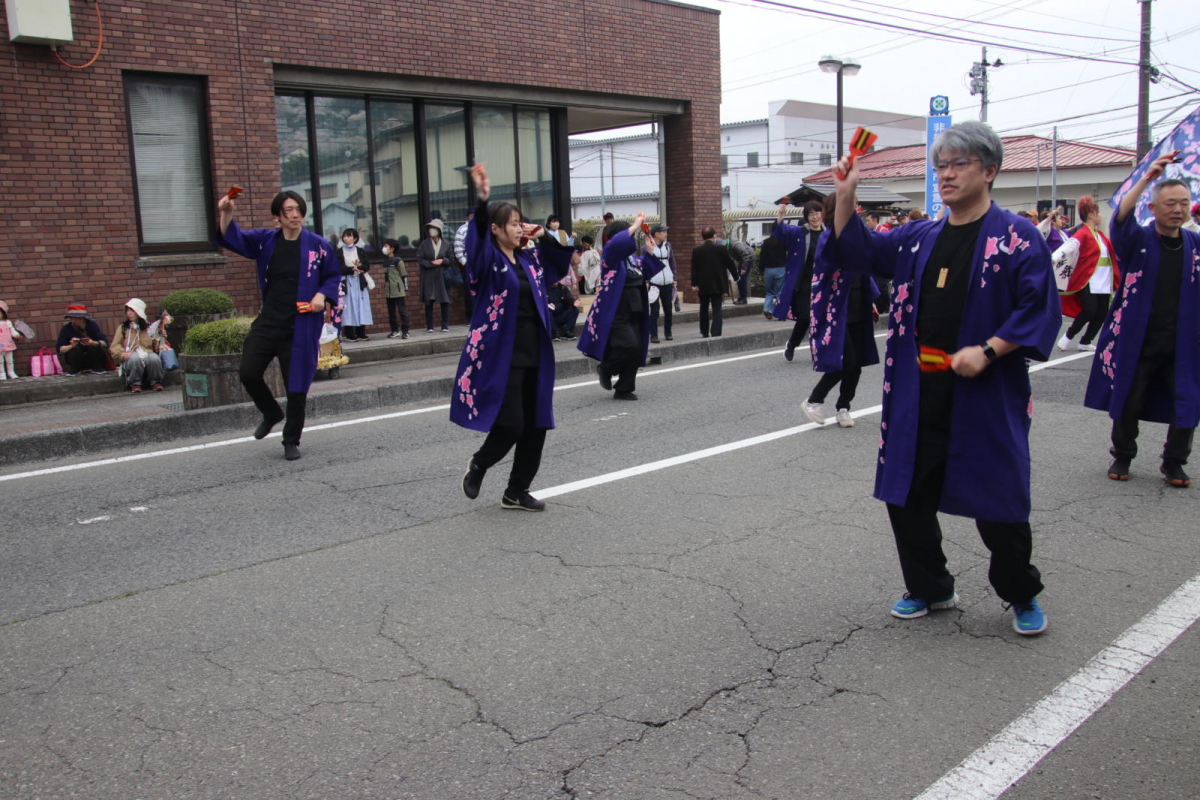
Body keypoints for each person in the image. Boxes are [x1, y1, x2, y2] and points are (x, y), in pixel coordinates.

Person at [827, 120, 1060, 635]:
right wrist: (846, 196)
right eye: (941, 166)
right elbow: (857, 252)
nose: (947, 175)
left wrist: (989, 349)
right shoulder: (918, 236)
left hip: (986, 390)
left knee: (998, 497)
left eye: (958, 164)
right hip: (917, 388)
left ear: (990, 170)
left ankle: (1021, 593)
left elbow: (1038, 306)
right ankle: (931, 586)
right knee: (905, 492)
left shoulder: (1017, 237)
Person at [455, 164, 575, 511]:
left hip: (534, 349)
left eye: (520, 221)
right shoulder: (487, 259)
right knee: (512, 423)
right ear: (495, 229)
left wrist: (538, 233)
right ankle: (479, 464)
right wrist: (482, 197)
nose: (519, 227)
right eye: (512, 223)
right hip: (501, 353)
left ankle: (516, 491)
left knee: (536, 424)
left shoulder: (530, 258)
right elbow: (476, 238)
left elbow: (558, 259)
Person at [1084, 152, 1199, 488]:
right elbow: (1120, 218)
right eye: (1170, 204)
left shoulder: (1195, 244)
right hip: (1138, 339)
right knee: (1128, 402)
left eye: (1184, 203)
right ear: (1153, 208)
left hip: (1183, 341)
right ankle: (1123, 454)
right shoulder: (1139, 240)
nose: (1178, 209)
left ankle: (1174, 462)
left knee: (1187, 403)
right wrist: (1146, 178)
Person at [217, 189, 341, 461]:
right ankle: (271, 411)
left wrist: (322, 295)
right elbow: (232, 238)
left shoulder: (318, 245)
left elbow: (333, 275)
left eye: (298, 209)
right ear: (277, 217)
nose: (295, 214)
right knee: (248, 372)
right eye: (288, 210)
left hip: (300, 325)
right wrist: (227, 212)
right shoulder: (265, 240)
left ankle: (291, 439)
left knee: (296, 386)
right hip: (269, 321)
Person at [802, 193, 881, 428]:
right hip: (835, 309)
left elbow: (865, 269)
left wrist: (872, 298)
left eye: (855, 204)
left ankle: (844, 408)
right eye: (851, 204)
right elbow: (825, 269)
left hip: (858, 304)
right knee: (847, 361)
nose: (855, 209)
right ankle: (813, 400)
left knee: (856, 364)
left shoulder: (856, 236)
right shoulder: (829, 238)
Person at [578, 215, 664, 399]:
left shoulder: (632, 260)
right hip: (615, 310)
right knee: (629, 345)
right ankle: (606, 368)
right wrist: (635, 225)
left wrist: (649, 252)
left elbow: (648, 271)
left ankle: (624, 387)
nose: (630, 239)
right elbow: (616, 244)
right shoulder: (610, 257)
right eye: (627, 235)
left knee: (637, 346)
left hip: (635, 307)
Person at [1058, 195, 1119, 352]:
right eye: (1098, 213)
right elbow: (1070, 245)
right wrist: (1054, 258)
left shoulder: (1101, 236)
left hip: (1104, 282)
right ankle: (1068, 336)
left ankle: (1085, 341)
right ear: (1091, 214)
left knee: (1102, 314)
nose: (1101, 216)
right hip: (1088, 280)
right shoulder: (1083, 233)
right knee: (1089, 310)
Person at [770, 200, 823, 362]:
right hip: (803, 283)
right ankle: (792, 343)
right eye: (811, 214)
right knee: (805, 317)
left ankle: (819, 350)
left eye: (817, 213)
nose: (814, 217)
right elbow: (781, 231)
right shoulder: (800, 233)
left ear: (822, 214)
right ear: (806, 217)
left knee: (822, 319)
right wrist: (781, 214)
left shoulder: (828, 233)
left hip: (823, 284)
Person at [690, 226, 738, 338]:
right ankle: (716, 331)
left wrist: (694, 283)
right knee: (717, 308)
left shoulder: (697, 250)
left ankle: (704, 331)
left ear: (703, 237)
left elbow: (694, 268)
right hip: (718, 283)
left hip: (703, 284)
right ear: (714, 236)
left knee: (704, 308)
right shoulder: (721, 249)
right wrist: (736, 277)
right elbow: (730, 263)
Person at [109, 298, 164, 393]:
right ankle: (135, 383)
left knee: (154, 358)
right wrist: (122, 354)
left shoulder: (149, 327)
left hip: (146, 353)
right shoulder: (123, 328)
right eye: (127, 310)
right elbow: (114, 346)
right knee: (134, 358)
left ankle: (155, 381)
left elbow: (156, 348)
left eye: (132, 310)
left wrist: (161, 337)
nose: (129, 313)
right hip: (131, 355)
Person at [337, 228, 374, 341]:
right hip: (347, 282)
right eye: (345, 236)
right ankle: (349, 334)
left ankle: (361, 332)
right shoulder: (339, 252)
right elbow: (339, 267)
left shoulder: (360, 250)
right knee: (348, 307)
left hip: (359, 282)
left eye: (349, 236)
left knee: (360, 306)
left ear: (355, 238)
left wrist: (360, 267)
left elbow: (367, 265)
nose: (346, 238)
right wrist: (352, 269)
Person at [418, 218, 454, 332]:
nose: (431, 230)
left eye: (434, 228)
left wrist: (443, 261)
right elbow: (419, 258)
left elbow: (451, 259)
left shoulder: (446, 244)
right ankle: (430, 326)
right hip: (428, 274)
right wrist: (430, 263)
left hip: (442, 275)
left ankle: (444, 324)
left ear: (439, 230)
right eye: (430, 228)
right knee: (429, 300)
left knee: (444, 300)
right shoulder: (424, 244)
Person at [56, 304, 109, 375]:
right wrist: (71, 346)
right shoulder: (66, 329)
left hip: (93, 358)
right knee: (74, 350)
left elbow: (105, 343)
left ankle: (96, 367)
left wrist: (93, 343)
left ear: (84, 318)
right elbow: (60, 348)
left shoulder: (92, 325)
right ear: (71, 318)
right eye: (74, 318)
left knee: (93, 347)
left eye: (80, 318)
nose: (77, 321)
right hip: (76, 359)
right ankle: (75, 369)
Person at [647, 224, 677, 342]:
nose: (666, 234)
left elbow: (672, 263)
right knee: (654, 310)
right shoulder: (649, 247)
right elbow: (645, 264)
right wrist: (647, 280)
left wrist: (674, 277)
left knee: (668, 309)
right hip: (654, 283)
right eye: (663, 232)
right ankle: (653, 334)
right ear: (656, 234)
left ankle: (668, 332)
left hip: (667, 282)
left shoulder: (668, 246)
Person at [381, 239, 411, 339]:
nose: (384, 248)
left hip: (398, 290)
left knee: (402, 311)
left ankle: (405, 331)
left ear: (392, 249)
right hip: (389, 291)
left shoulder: (398, 260)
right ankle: (394, 330)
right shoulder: (385, 261)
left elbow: (404, 275)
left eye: (386, 246)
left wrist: (405, 288)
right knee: (391, 312)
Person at [759, 227, 788, 319]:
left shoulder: (766, 242)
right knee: (779, 292)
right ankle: (779, 312)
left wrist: (761, 268)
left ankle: (767, 309)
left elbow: (762, 256)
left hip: (768, 269)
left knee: (769, 292)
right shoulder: (783, 242)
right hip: (780, 268)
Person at [453, 213, 477, 321]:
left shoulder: (484, 229)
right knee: (469, 291)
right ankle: (470, 316)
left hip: (484, 263)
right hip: (469, 264)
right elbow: (458, 249)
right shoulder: (462, 230)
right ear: (469, 216)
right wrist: (466, 263)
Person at [728, 236, 755, 304]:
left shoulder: (735, 245)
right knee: (739, 279)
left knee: (742, 278)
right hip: (742, 260)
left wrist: (743, 268)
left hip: (749, 258)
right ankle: (741, 297)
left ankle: (744, 298)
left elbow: (746, 255)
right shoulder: (728, 248)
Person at [0, 300, 22, 379]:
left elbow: (12, 330)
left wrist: (16, 335)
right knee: (0, 361)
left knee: (10, 360)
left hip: (8, 344)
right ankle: (2, 373)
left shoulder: (7, 322)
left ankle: (11, 372)